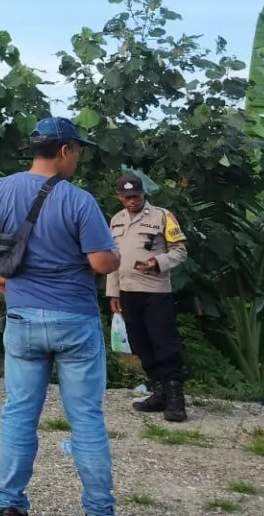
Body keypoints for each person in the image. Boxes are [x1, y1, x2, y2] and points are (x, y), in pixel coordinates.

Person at [0, 117, 121, 516]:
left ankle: (10, 504)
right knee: (86, 419)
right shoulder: (79, 200)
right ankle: (99, 509)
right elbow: (101, 262)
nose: (78, 157)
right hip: (74, 321)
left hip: (23, 319)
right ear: (64, 151)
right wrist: (113, 255)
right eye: (78, 150)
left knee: (19, 413)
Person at [108, 172, 189, 422]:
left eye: (135, 195)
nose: (131, 201)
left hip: (155, 292)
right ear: (119, 197)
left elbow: (180, 251)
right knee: (140, 343)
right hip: (127, 292)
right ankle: (159, 391)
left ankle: (176, 396)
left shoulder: (162, 216)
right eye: (126, 197)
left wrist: (158, 262)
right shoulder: (115, 220)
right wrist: (112, 292)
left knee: (164, 342)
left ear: (143, 194)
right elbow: (112, 259)